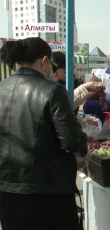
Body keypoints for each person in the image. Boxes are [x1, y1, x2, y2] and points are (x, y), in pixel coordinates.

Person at [0, 37, 88, 230]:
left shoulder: (1, 88)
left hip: (6, 190)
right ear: (44, 61)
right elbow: (71, 142)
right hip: (48, 192)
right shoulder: (52, 91)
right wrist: (84, 138)